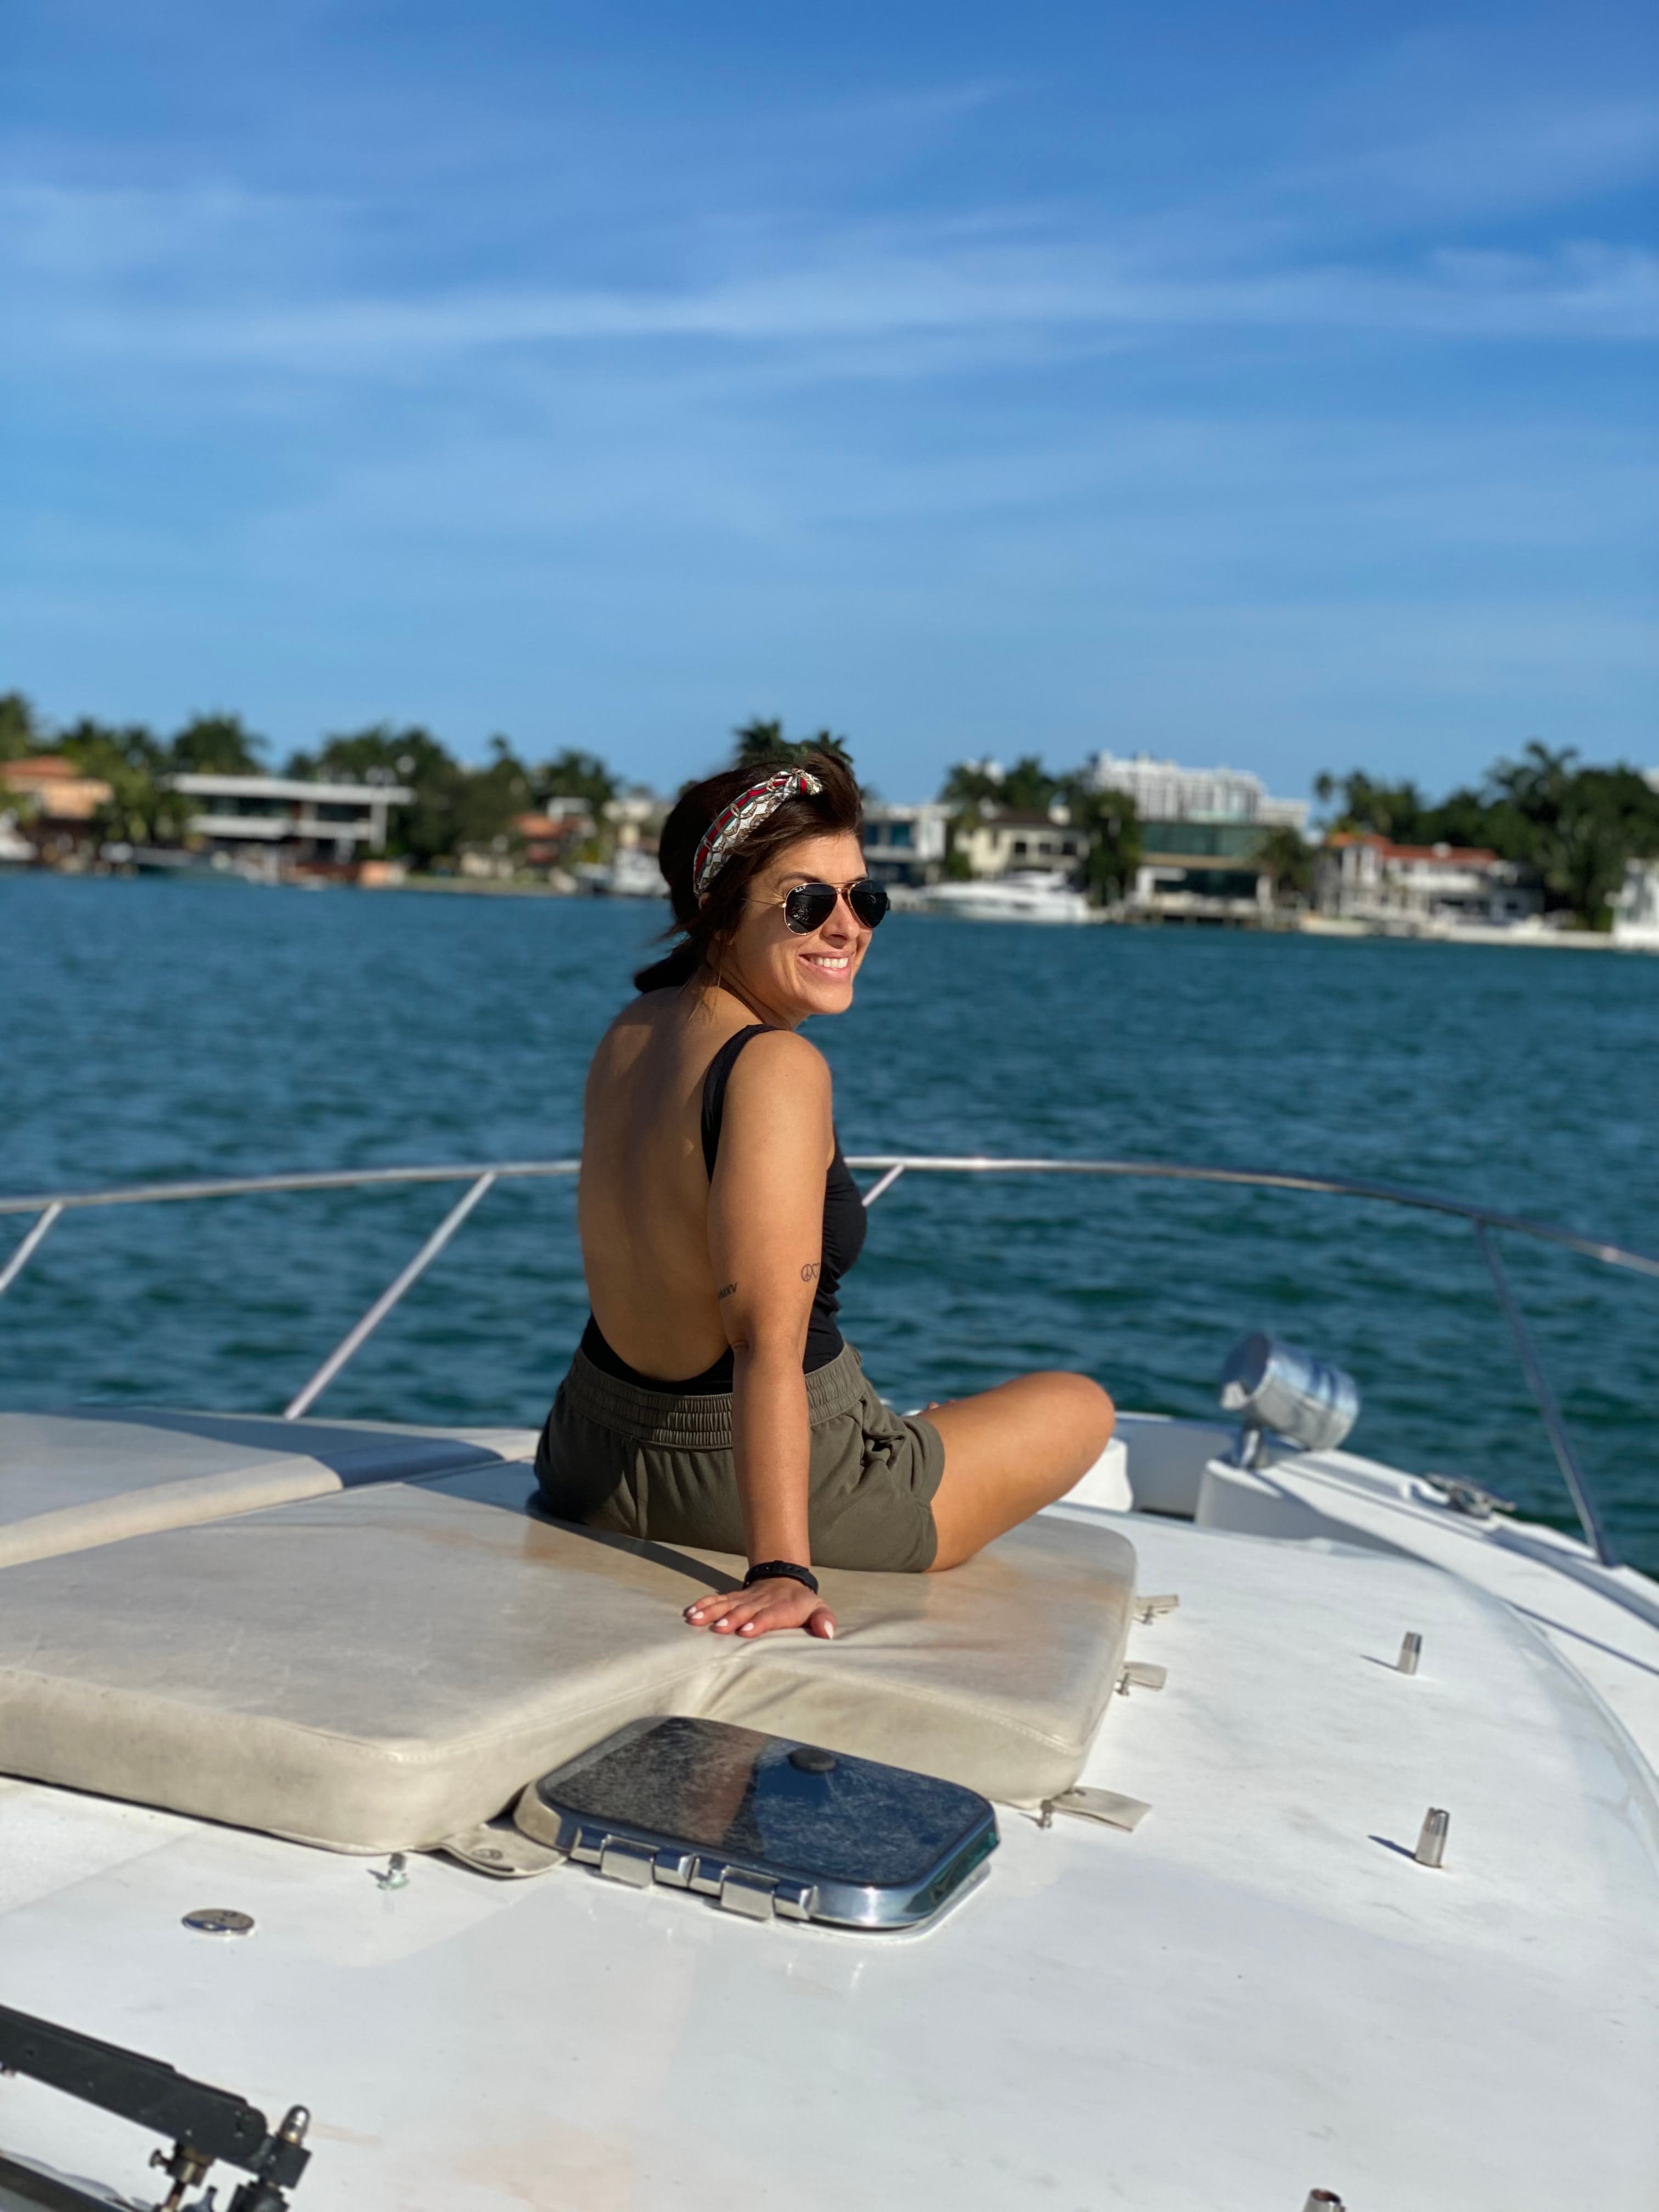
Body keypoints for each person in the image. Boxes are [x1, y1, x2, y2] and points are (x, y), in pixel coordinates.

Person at [535, 752, 1115, 1641]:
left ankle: (895, 1434)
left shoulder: (631, 1032)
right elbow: (764, 1336)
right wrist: (780, 1570)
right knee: (1081, 1405)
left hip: (587, 1453)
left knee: (945, 1418)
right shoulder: (775, 1064)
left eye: (864, 899)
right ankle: (863, 1469)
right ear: (719, 908)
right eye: (809, 901)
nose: (848, 927)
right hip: (759, 1484)